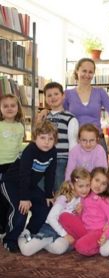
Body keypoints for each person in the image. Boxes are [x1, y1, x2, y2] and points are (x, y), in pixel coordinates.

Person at [1, 120, 57, 252]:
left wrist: (49, 194)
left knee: (45, 207)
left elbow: (50, 173)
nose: (46, 142)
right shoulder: (30, 150)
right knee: (21, 210)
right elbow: (24, 175)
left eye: (50, 138)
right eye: (42, 138)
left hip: (29, 185)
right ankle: (10, 239)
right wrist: (24, 198)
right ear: (34, 138)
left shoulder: (52, 151)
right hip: (11, 183)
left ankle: (28, 232)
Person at [18, 167, 91, 256]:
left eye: (87, 185)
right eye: (81, 186)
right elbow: (51, 218)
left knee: (61, 248)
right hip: (51, 228)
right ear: (72, 185)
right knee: (27, 251)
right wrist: (64, 235)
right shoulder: (64, 199)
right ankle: (23, 236)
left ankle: (43, 242)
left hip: (64, 231)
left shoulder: (82, 199)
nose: (85, 189)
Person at [59, 167, 109, 256]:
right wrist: (80, 212)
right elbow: (85, 214)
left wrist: (106, 235)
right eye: (97, 180)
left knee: (80, 247)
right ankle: (82, 241)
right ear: (91, 179)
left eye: (103, 184)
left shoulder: (104, 200)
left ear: (106, 187)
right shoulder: (86, 194)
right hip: (84, 229)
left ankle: (94, 247)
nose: (98, 185)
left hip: (97, 232)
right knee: (63, 216)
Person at [63, 58, 109, 151]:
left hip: (97, 140)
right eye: (84, 71)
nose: (87, 75)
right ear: (77, 71)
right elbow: (61, 115)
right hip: (76, 142)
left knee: (100, 166)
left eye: (90, 72)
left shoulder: (100, 92)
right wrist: (45, 111)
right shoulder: (67, 94)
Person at [36, 82, 79, 191]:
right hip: (44, 159)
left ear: (63, 95)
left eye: (56, 94)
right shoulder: (44, 117)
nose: (53, 97)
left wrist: (71, 166)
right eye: (49, 95)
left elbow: (73, 144)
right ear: (45, 98)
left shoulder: (70, 118)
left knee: (59, 190)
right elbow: (37, 138)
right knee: (40, 188)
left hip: (61, 159)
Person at [0, 94, 25, 236]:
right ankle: (2, 226)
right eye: (5, 106)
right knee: (1, 198)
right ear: (1, 109)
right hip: (1, 164)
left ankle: (10, 226)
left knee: (10, 197)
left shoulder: (20, 126)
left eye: (12, 105)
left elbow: (18, 146)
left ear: (17, 108)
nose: (9, 108)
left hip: (14, 166)